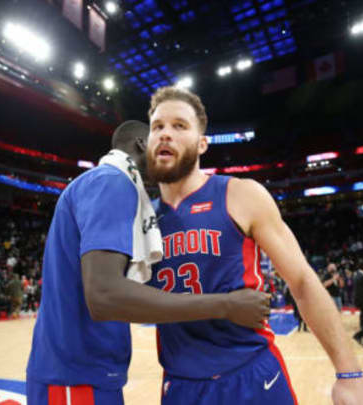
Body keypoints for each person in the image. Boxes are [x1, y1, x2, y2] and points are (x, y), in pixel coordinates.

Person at [144, 86, 363, 404]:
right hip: (180, 388)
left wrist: (349, 375)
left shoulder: (241, 194)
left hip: (251, 378)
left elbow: (303, 280)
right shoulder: (141, 219)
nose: (165, 134)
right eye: (158, 126)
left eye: (179, 126)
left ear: (202, 144)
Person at [26, 121, 270, 405]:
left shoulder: (106, 183)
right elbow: (104, 295)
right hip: (74, 376)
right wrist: (227, 305)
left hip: (81, 372)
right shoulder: (113, 182)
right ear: (143, 144)